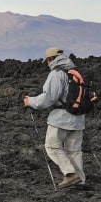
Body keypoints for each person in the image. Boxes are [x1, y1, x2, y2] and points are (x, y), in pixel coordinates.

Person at [24, 47, 85, 188]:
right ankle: (80, 181)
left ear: (51, 59)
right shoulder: (75, 72)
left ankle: (70, 174)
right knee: (74, 151)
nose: (47, 64)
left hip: (61, 118)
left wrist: (30, 101)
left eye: (47, 61)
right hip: (78, 117)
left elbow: (48, 98)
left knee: (52, 146)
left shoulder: (57, 74)